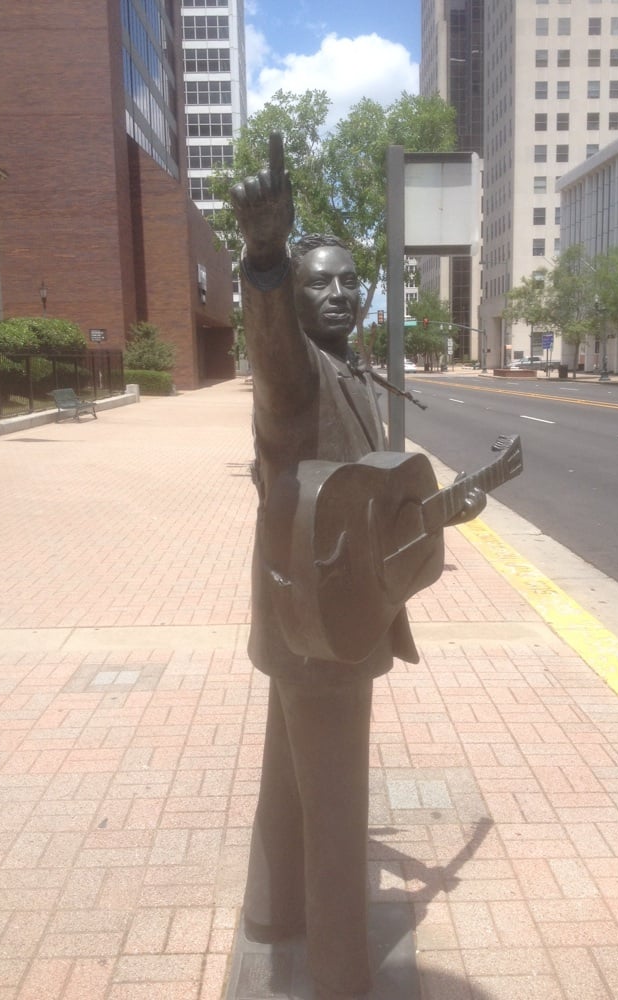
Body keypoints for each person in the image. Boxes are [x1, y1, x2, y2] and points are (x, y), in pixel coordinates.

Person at [230, 134, 481, 1000]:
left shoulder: (348, 371)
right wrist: (263, 258)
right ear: (294, 301)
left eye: (348, 280)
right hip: (323, 624)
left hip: (297, 609)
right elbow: (270, 351)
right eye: (318, 283)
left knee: (285, 777)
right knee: (336, 805)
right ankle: (339, 973)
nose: (337, 293)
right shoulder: (296, 376)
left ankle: (272, 908)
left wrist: (440, 512)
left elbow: (359, 502)